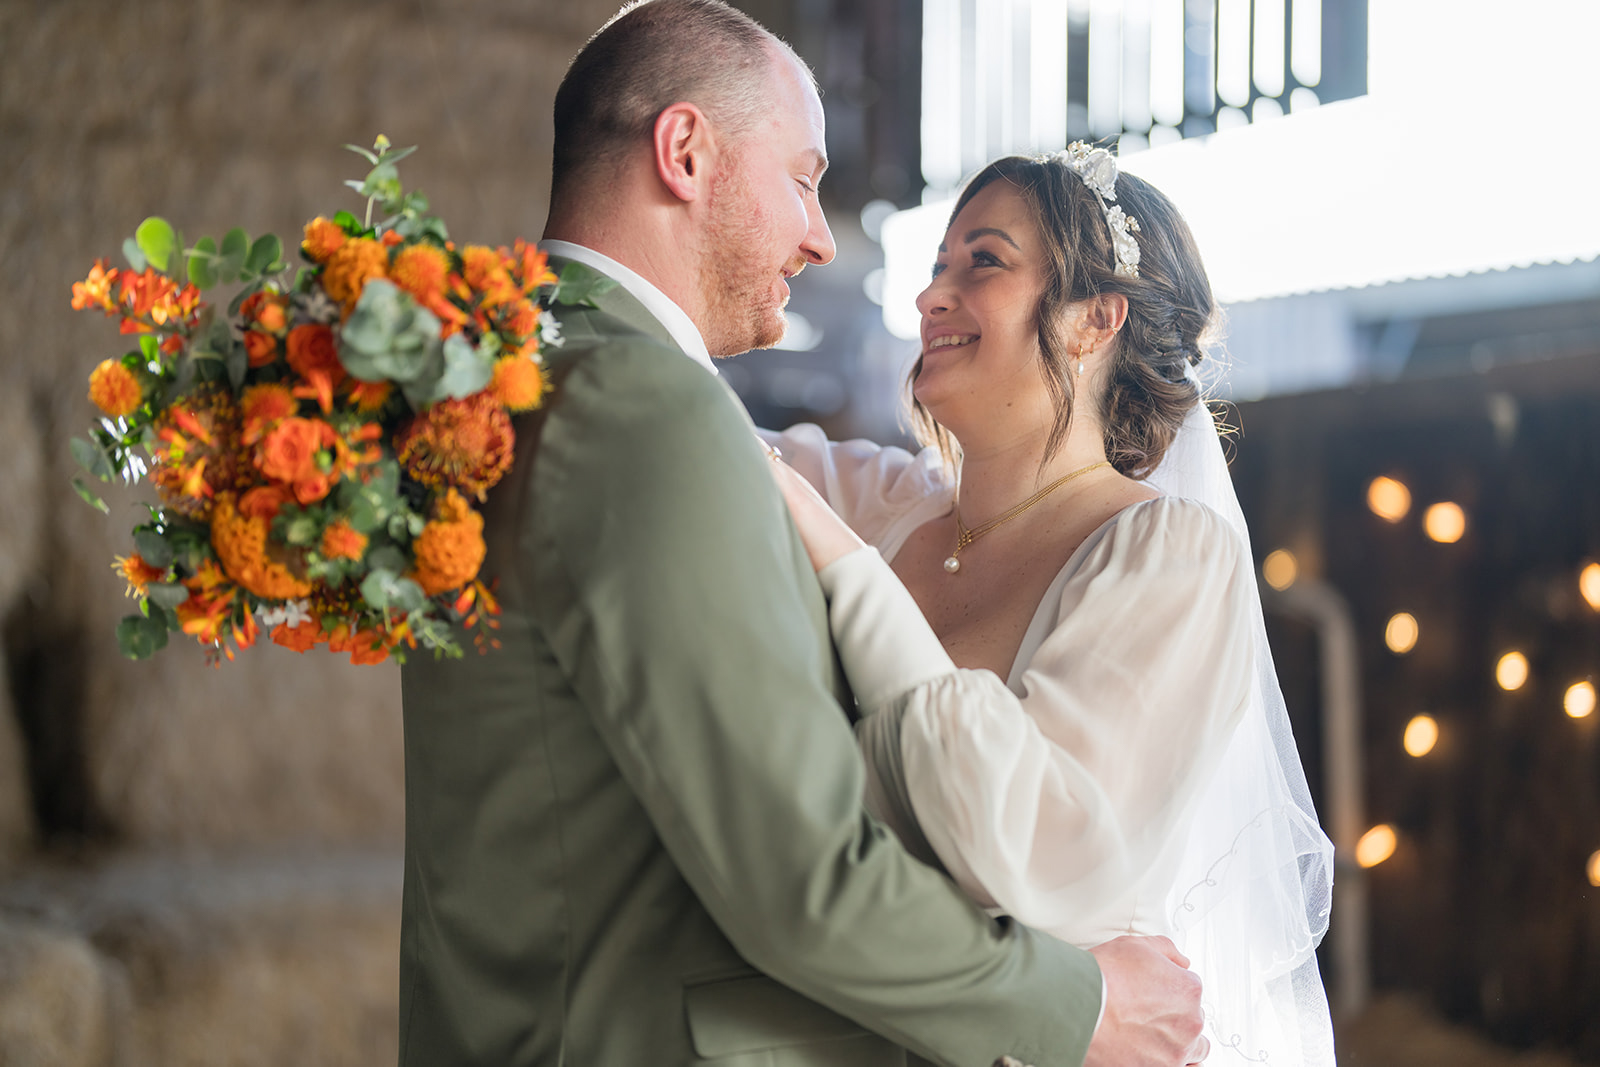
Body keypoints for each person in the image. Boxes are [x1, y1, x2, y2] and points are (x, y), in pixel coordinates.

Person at [399, 3, 1208, 1066]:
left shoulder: (495, 382)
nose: (823, 236)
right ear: (684, 153)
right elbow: (798, 878)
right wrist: (1079, 1008)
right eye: (802, 178)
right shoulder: (649, 407)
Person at [766, 146, 1337, 1066]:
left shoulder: (1172, 559)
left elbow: (1040, 848)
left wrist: (841, 566)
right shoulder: (884, 504)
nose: (929, 298)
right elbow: (694, 425)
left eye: (981, 262)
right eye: (936, 267)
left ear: (1093, 318)